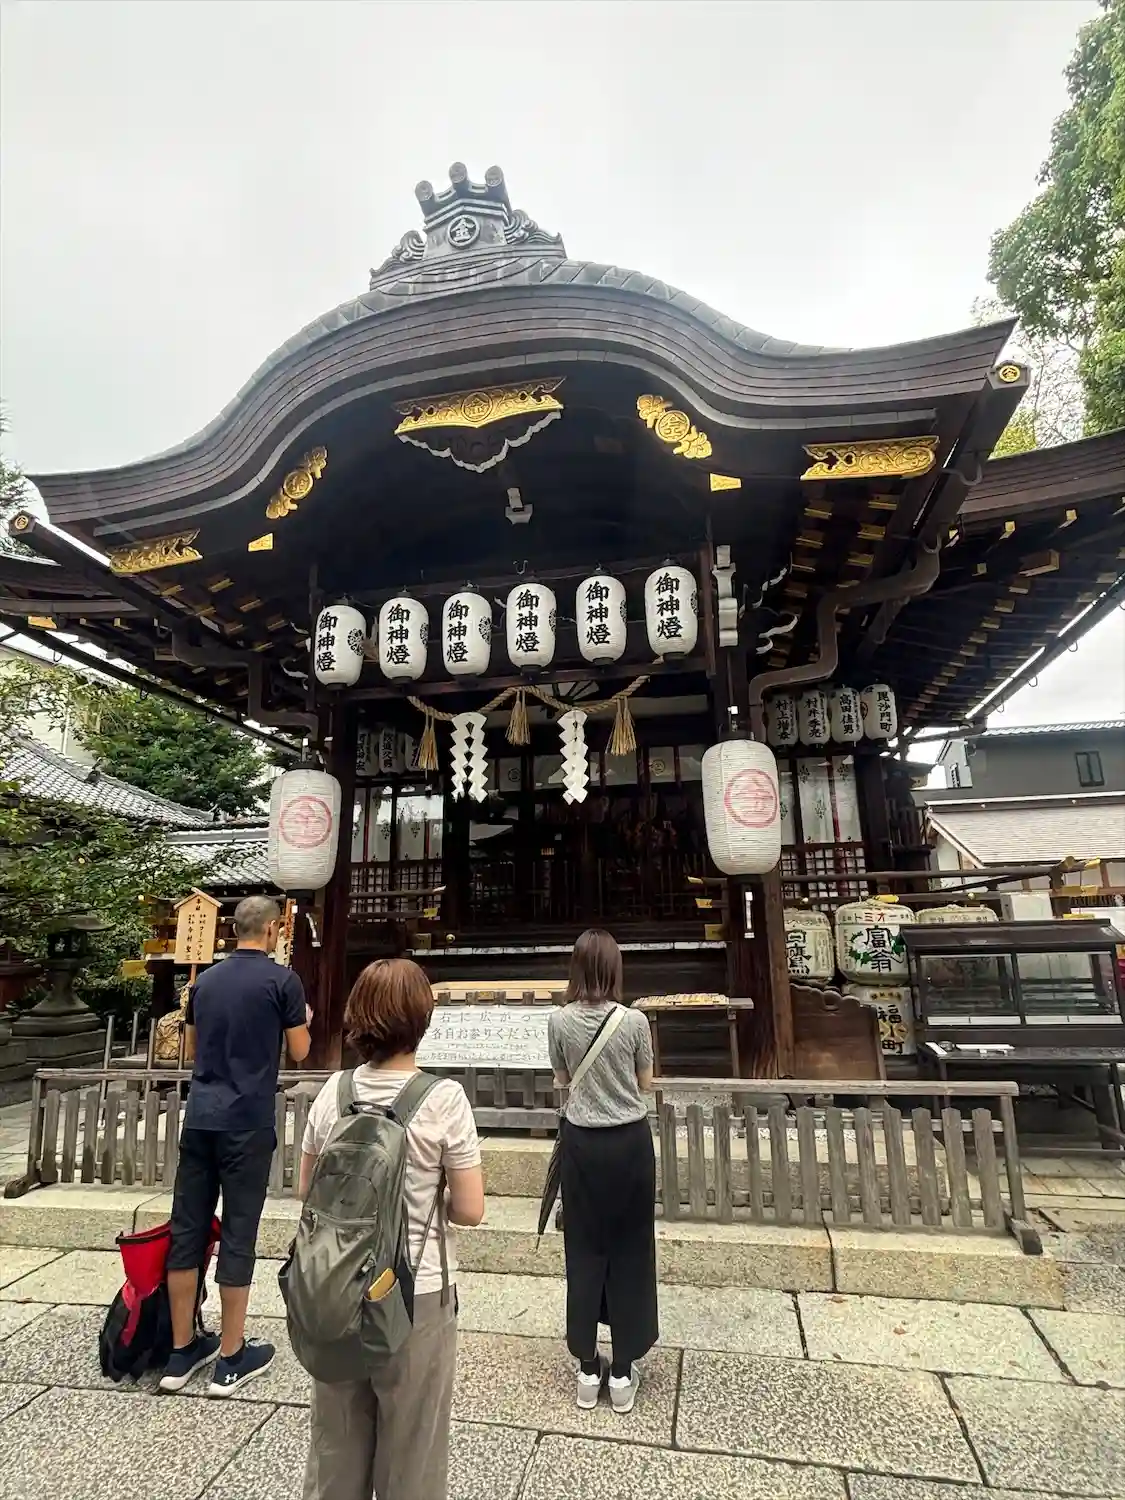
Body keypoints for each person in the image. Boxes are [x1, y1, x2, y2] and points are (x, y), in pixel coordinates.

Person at [299, 957, 484, 1500]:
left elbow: (306, 1193)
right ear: (422, 1019)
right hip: (415, 1291)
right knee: (413, 1452)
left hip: (334, 1286)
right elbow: (470, 1209)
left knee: (335, 1444)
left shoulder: (333, 1092)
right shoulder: (443, 1099)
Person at [159, 894, 312, 1396]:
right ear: (271, 930)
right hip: (247, 1120)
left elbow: (190, 1049)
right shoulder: (282, 981)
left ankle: (181, 1352)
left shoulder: (203, 983)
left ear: (233, 929)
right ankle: (230, 1356)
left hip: (201, 1116)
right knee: (239, 1231)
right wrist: (303, 1018)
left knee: (187, 1229)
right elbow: (300, 1051)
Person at [548, 928, 658, 1414]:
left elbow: (562, 1079)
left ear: (575, 968)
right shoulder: (634, 1021)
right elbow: (645, 1083)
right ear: (615, 968)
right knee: (632, 1250)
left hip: (583, 1145)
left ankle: (588, 1368)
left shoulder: (558, 1020)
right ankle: (623, 1369)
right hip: (629, 1143)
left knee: (584, 1250)